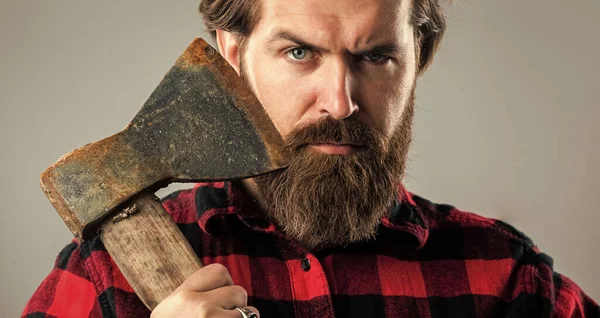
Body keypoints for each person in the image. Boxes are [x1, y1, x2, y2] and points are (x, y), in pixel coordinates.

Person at [22, 0, 599, 317]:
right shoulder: (100, 281)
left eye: (375, 57)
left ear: (417, 58)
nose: (341, 102)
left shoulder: (509, 284)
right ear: (233, 53)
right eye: (300, 51)